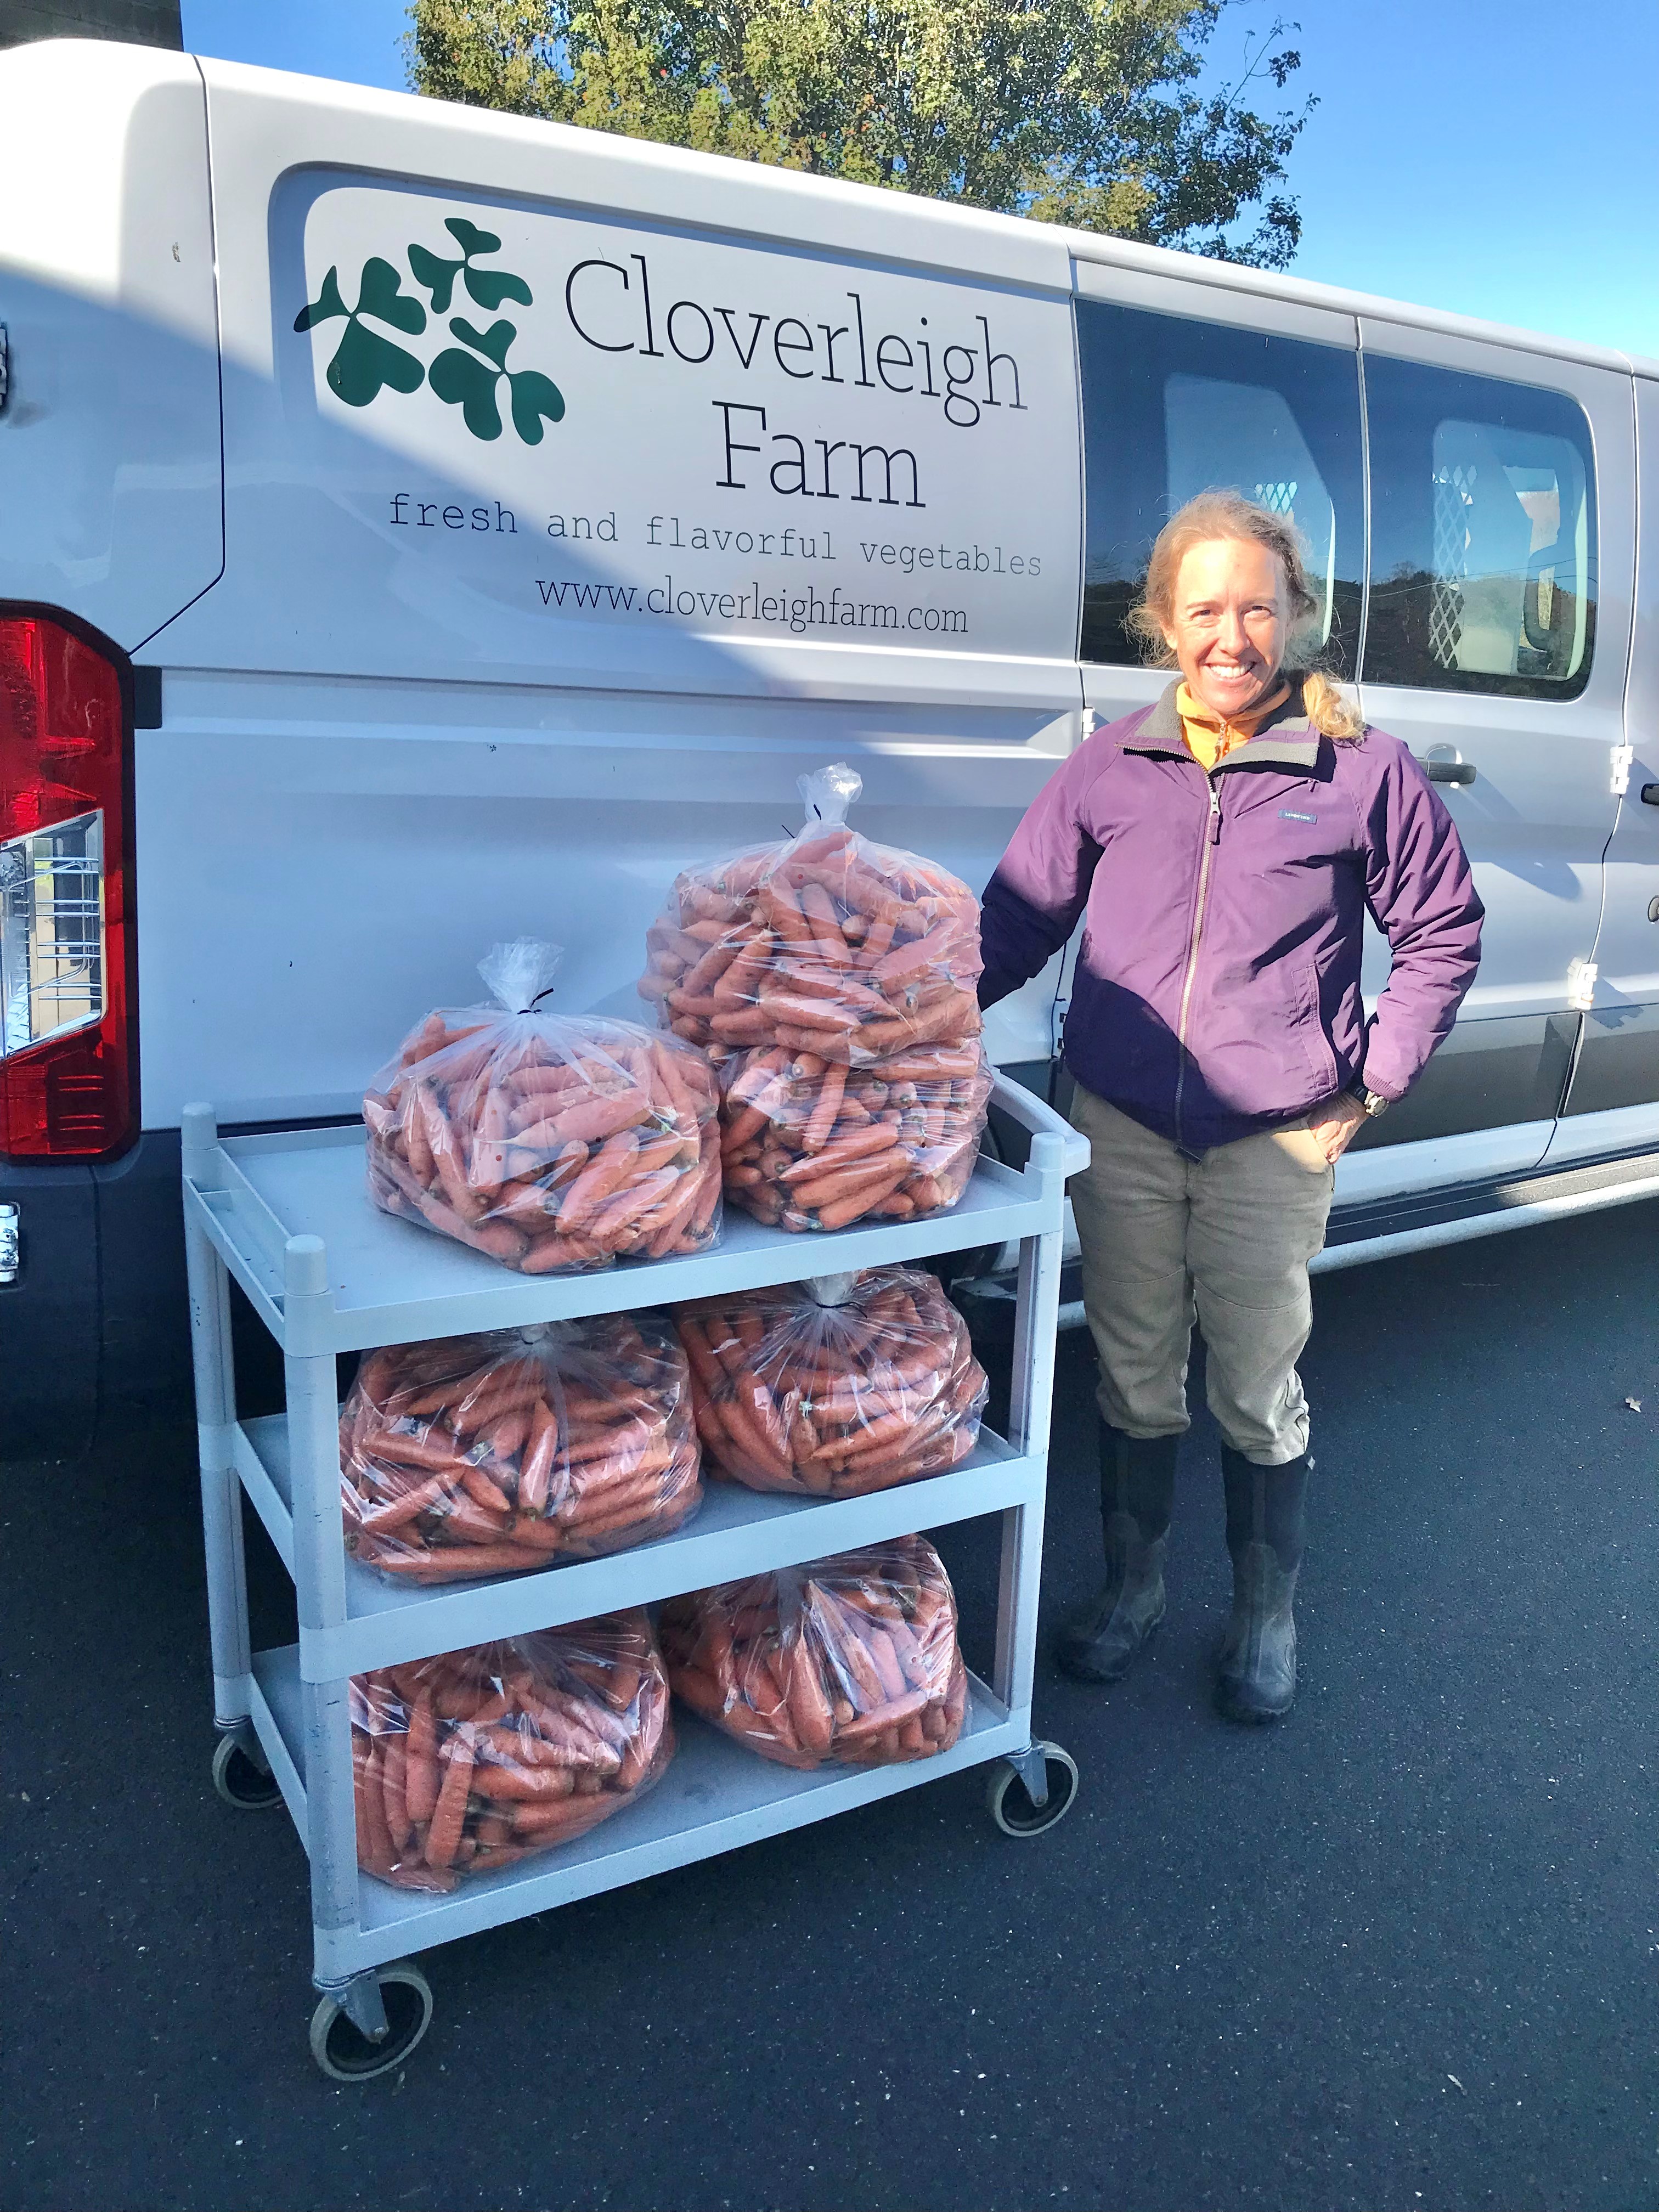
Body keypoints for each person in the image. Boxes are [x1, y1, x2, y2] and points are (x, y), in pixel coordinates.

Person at [978, 490, 1483, 1723]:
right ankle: (1134, 1587)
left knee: (1255, 1386)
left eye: (1256, 609)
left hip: (1274, 1138)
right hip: (1123, 1128)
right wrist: (891, 1013)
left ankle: (1265, 1614)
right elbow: (1016, 921)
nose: (1231, 636)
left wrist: (1372, 1080)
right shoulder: (1111, 764)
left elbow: (1441, 931)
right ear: (1164, 622)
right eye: (1204, 610)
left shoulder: (1362, 770)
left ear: (1294, 615)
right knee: (1134, 1372)